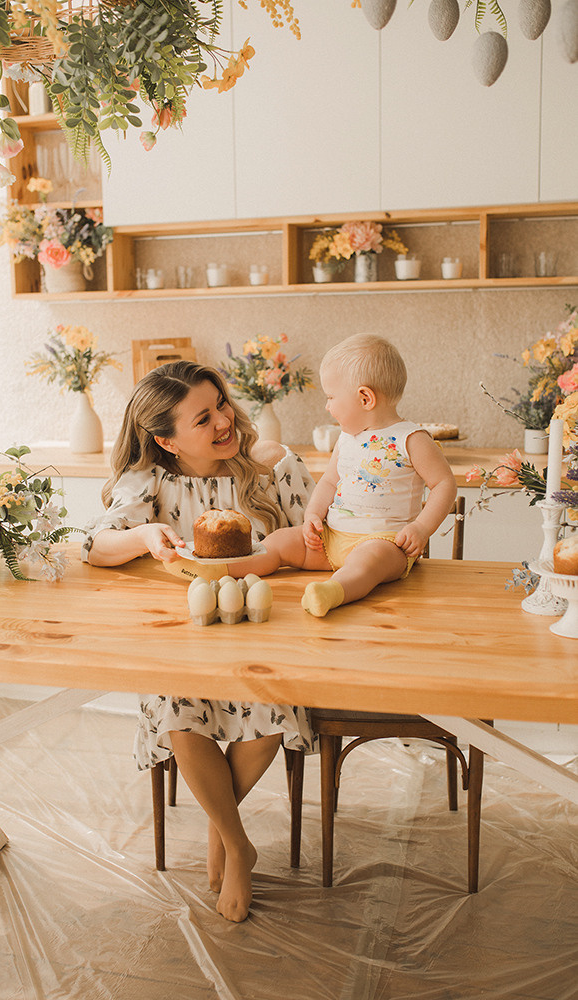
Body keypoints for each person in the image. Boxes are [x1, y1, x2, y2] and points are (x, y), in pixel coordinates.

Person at [82, 360, 315, 923]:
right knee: (176, 707)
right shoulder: (150, 483)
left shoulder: (272, 466)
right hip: (182, 642)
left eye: (222, 405)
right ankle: (238, 845)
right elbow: (94, 545)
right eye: (203, 417)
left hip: (265, 634)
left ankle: (220, 827)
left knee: (274, 705)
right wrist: (143, 535)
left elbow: (320, 540)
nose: (224, 421)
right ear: (165, 439)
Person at [227, 333, 457, 617]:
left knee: (364, 565)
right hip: (330, 539)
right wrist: (313, 514)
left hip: (384, 544)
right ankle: (226, 571)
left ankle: (331, 592)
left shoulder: (412, 438)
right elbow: (329, 481)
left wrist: (421, 528)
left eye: (331, 397)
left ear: (365, 398)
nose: (327, 406)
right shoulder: (347, 438)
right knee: (279, 541)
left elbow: (444, 484)